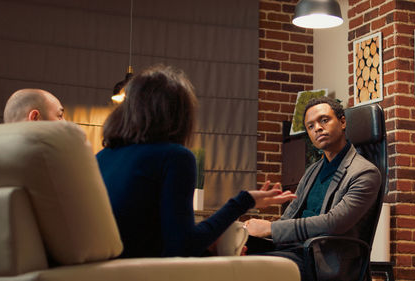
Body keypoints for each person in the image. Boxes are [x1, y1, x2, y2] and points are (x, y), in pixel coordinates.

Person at [96, 64, 296, 258]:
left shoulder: (102, 157)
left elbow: (152, 234)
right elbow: (182, 247)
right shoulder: (175, 157)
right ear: (178, 114)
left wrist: (207, 247)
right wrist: (243, 201)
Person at [244, 97, 381, 277]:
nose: (317, 128)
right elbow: (290, 215)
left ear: (342, 122)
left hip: (324, 260)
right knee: (229, 252)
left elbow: (334, 223)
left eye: (324, 120)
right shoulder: (312, 171)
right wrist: (251, 231)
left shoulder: (365, 173)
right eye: (310, 126)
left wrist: (270, 228)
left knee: (248, 270)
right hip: (295, 251)